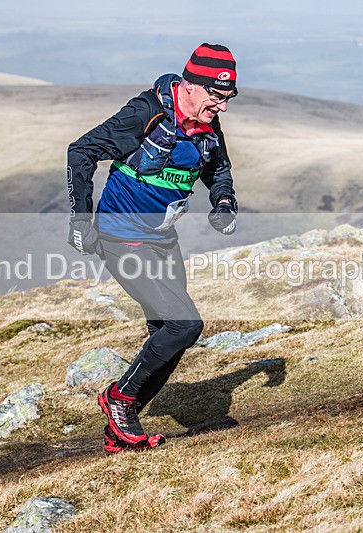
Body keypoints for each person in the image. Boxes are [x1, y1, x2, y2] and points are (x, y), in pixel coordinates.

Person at [66, 43, 239, 452]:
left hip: (163, 241)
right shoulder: (146, 113)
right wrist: (80, 218)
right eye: (217, 97)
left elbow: (219, 169)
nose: (223, 107)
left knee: (168, 335)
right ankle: (118, 399)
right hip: (121, 237)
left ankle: (121, 430)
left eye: (228, 98)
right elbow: (81, 151)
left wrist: (224, 202)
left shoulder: (206, 124)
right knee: (185, 325)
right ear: (191, 86)